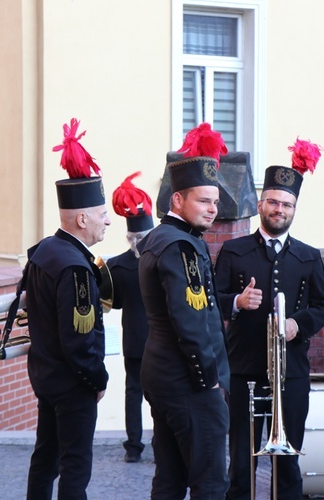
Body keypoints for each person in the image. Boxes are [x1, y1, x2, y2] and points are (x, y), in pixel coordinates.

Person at [214, 139, 324, 500]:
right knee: (240, 462)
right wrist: (237, 300)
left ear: (294, 209)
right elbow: (212, 304)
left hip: (291, 373)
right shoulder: (234, 251)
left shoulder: (308, 256)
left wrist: (300, 324)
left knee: (288, 461)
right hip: (244, 369)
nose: (279, 209)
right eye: (274, 202)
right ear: (261, 204)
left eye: (287, 204)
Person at [138, 123, 231, 499]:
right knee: (209, 482)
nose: (213, 209)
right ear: (177, 201)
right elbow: (190, 321)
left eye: (215, 202)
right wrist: (208, 379)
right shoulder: (182, 247)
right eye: (204, 201)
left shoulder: (157, 239)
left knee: (170, 479)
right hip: (189, 384)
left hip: (162, 377)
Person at [25, 118, 110, 500]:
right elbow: (80, 341)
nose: (107, 219)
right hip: (72, 384)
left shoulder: (45, 249)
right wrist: (98, 380)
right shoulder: (76, 267)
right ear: (81, 218)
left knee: (45, 459)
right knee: (75, 466)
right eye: (101, 213)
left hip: (46, 378)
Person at [107, 172, 155, 463]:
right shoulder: (163, 259)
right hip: (153, 340)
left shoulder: (117, 266)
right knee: (152, 395)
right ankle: (151, 445)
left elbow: (116, 304)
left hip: (136, 340)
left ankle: (134, 447)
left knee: (135, 394)